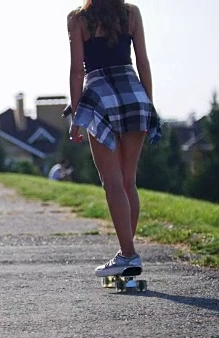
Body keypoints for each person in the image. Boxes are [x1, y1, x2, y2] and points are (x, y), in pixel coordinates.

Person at [66, 0, 162, 277]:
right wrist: (149, 104)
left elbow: (76, 71)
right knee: (128, 181)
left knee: (112, 183)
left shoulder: (78, 19)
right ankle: (126, 254)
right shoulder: (131, 13)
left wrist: (77, 117)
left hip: (100, 98)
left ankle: (129, 255)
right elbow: (142, 61)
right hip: (134, 95)